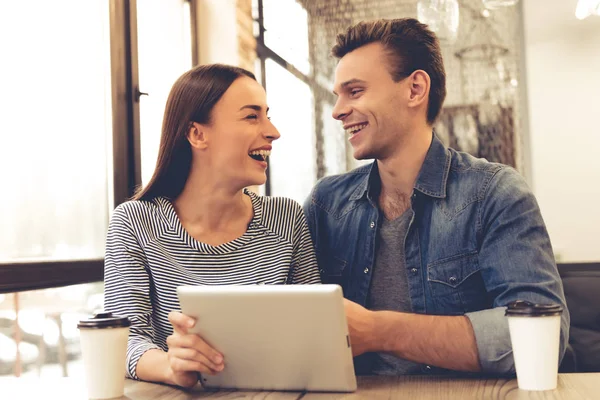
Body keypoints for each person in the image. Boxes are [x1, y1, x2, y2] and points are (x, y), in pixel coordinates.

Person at [303, 18, 569, 376]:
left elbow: (543, 339)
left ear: (415, 89)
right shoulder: (325, 204)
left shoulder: (495, 194)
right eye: (338, 95)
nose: (337, 111)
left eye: (354, 91)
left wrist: (378, 330)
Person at [104, 64, 321, 388]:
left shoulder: (286, 219)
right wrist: (170, 366)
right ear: (197, 134)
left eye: (267, 114)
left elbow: (315, 333)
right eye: (252, 116)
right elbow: (124, 339)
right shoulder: (135, 222)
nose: (273, 131)